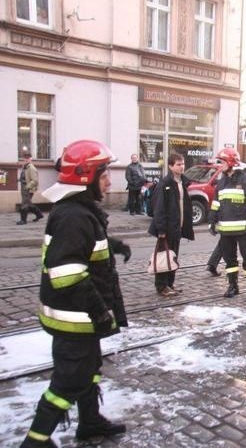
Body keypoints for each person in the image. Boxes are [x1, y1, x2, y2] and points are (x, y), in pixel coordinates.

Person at [21, 140, 131, 447]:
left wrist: (113, 246)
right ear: (86, 177)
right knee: (68, 382)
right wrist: (99, 311)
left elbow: (85, 247)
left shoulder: (79, 211)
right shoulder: (73, 217)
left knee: (90, 369)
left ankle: (90, 421)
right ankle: (36, 440)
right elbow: (67, 275)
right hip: (76, 319)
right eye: (104, 173)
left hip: (80, 320)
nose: (110, 179)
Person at [208, 148, 246, 301]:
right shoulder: (222, 181)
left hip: (243, 230)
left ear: (231, 162)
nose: (221, 165)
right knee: (230, 261)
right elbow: (216, 203)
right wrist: (212, 220)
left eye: (222, 162)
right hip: (226, 230)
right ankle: (233, 286)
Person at [148, 153, 195, 297]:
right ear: (170, 166)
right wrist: (161, 229)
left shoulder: (182, 182)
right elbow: (159, 208)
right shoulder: (165, 184)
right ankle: (161, 286)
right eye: (178, 164)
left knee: (173, 256)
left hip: (177, 227)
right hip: (167, 228)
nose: (182, 167)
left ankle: (170, 283)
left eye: (183, 164)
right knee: (164, 256)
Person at [16, 152, 44, 225]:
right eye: (25, 158)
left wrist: (27, 187)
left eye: (28, 158)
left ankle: (23, 220)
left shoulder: (31, 168)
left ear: (30, 159)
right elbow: (26, 177)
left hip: (28, 189)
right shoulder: (25, 167)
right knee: (28, 203)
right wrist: (20, 179)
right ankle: (39, 215)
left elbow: (34, 180)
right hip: (25, 188)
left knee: (25, 203)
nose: (26, 159)